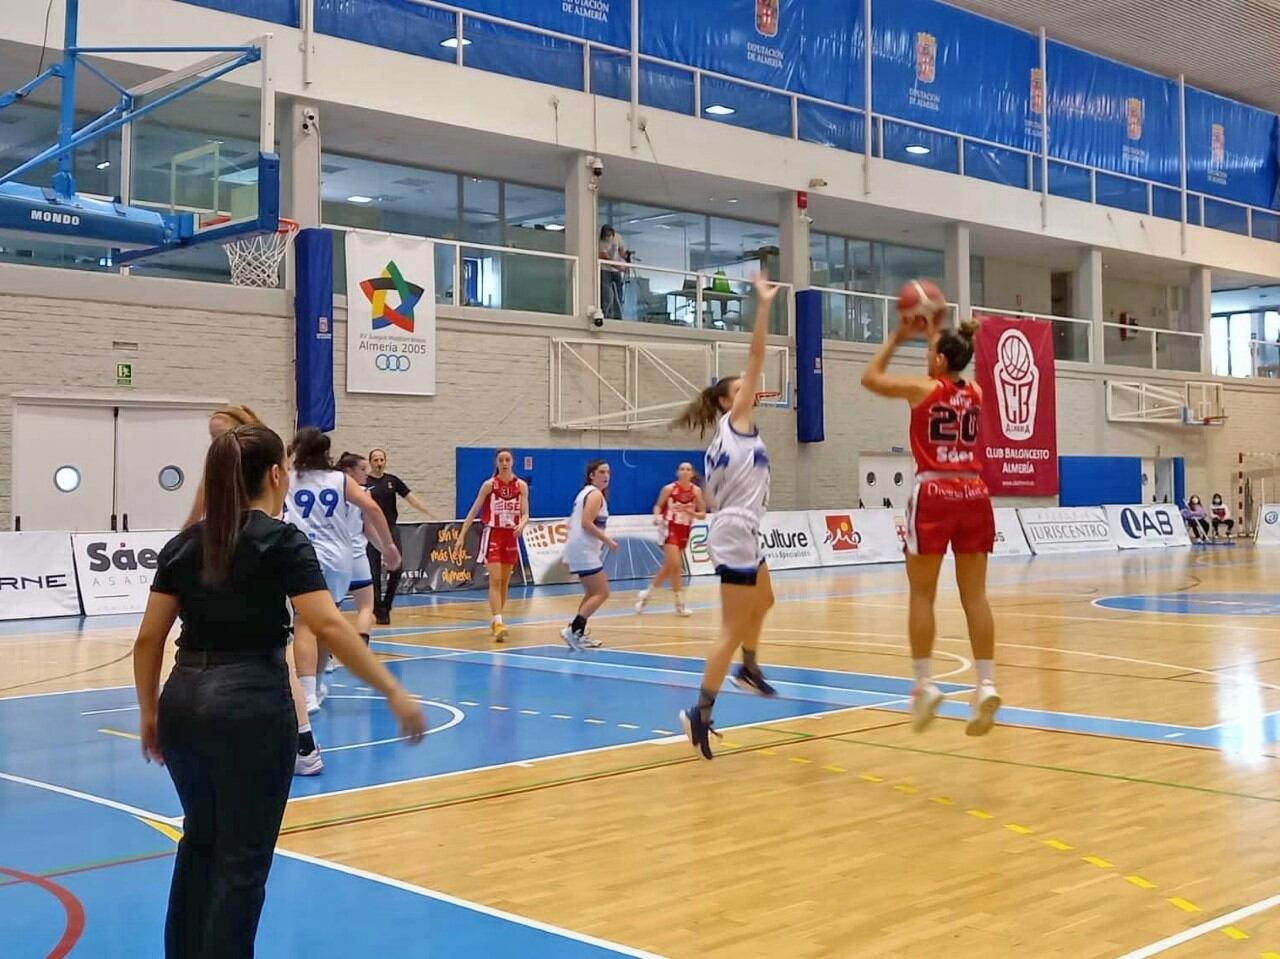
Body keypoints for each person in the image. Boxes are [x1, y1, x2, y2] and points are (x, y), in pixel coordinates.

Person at [132, 423, 426, 959]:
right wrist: (391, 689)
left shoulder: (184, 544)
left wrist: (150, 714)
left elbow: (149, 639)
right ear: (274, 474)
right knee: (242, 861)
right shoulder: (282, 541)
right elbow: (329, 624)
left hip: (184, 702)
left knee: (199, 843)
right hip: (251, 705)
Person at [860, 300, 1001, 738]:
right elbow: (953, 360)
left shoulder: (922, 390)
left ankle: (924, 684)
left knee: (922, 594)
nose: (925, 358)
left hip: (935, 492)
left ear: (940, 360)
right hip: (975, 493)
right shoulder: (976, 392)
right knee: (976, 597)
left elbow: (870, 378)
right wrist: (936, 334)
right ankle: (986, 684)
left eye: (928, 353)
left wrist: (897, 336)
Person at [180, 404, 321, 775]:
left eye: (220, 435)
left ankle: (303, 740)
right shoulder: (219, 475)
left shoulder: (262, 472)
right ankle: (293, 739)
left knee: (274, 657)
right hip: (229, 565)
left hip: (259, 566)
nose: (215, 442)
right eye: (212, 437)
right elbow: (193, 524)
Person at [675, 274, 780, 760]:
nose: (750, 391)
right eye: (740, 389)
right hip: (736, 528)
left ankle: (750, 668)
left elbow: (711, 494)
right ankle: (700, 710)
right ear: (726, 401)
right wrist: (763, 305)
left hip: (740, 527)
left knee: (767, 598)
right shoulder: (734, 422)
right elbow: (756, 358)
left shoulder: (732, 433)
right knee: (731, 629)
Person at [286, 429, 400, 713]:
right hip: (339, 558)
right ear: (326, 452)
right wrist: (388, 546)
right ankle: (317, 685)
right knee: (326, 620)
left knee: (304, 623)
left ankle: (307, 694)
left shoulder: (288, 479)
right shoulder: (340, 480)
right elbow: (372, 508)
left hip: (304, 553)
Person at [456, 448, 530, 643]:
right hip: (493, 533)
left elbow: (525, 513)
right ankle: (498, 622)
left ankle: (496, 619)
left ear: (512, 462)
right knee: (495, 580)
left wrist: (522, 524)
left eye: (507, 459)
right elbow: (473, 511)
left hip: (511, 536)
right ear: (496, 463)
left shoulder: (521, 486)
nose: (504, 463)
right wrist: (461, 536)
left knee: (505, 582)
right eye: (501, 460)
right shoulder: (489, 485)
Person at [364, 448, 433, 625]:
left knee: (396, 568)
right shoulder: (365, 482)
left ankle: (387, 605)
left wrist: (427, 510)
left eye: (381, 460)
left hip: (391, 529)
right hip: (372, 531)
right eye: (375, 460)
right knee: (373, 572)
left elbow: (410, 497)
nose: (379, 463)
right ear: (370, 462)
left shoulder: (392, 480)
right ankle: (378, 609)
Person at [560, 459, 618, 651]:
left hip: (581, 548)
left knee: (592, 593)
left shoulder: (585, 493)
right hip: (583, 549)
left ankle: (577, 633)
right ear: (592, 475)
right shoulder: (594, 495)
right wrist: (608, 541)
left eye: (608, 472)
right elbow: (586, 523)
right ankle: (572, 631)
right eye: (601, 472)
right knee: (602, 592)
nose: (606, 476)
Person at [636, 462, 706, 617]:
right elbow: (658, 505)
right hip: (669, 528)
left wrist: (692, 513)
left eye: (688, 469)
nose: (685, 471)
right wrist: (656, 516)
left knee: (668, 568)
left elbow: (703, 514)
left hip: (684, 530)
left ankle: (647, 595)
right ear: (677, 472)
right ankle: (680, 605)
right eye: (682, 469)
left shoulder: (696, 491)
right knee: (676, 565)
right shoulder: (669, 489)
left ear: (692, 474)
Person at [337, 452, 379, 646]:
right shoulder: (363, 492)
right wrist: (386, 549)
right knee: (366, 606)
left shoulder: (329, 489)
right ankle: (362, 648)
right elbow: (369, 530)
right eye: (362, 469)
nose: (366, 473)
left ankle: (328, 653)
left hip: (333, 555)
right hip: (356, 555)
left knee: (331, 608)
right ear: (348, 471)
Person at [598, 225, 628, 320]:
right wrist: (619, 267)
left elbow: (622, 252)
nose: (609, 237)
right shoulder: (600, 242)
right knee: (606, 294)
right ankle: (605, 315)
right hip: (605, 269)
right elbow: (605, 258)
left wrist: (626, 258)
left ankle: (618, 316)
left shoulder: (617, 237)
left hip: (616, 271)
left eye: (610, 235)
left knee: (618, 295)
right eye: (607, 235)